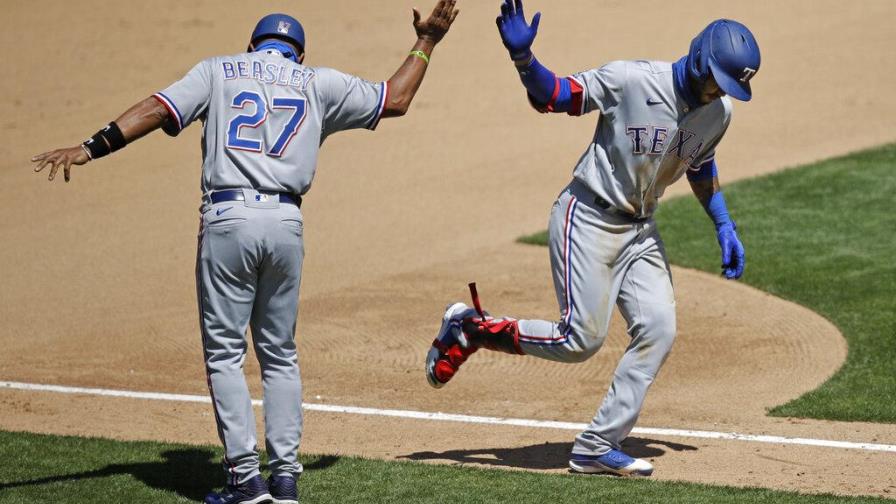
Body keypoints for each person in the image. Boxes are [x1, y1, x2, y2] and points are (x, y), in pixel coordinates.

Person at [32, 2, 459, 503]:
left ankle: (243, 478)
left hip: (228, 220)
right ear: (298, 54)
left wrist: (89, 147)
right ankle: (283, 479)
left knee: (225, 355)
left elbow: (156, 109)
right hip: (285, 223)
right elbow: (396, 99)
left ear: (252, 45)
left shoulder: (218, 70)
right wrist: (427, 41)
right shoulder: (317, 82)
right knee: (279, 354)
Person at [425, 0, 759, 477]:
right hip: (587, 216)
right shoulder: (630, 80)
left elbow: (700, 164)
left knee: (659, 330)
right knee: (580, 339)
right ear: (701, 59)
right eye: (716, 82)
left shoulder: (718, 114)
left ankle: (596, 447)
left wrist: (723, 222)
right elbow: (555, 96)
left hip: (641, 229)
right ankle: (471, 329)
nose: (717, 93)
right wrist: (524, 60)